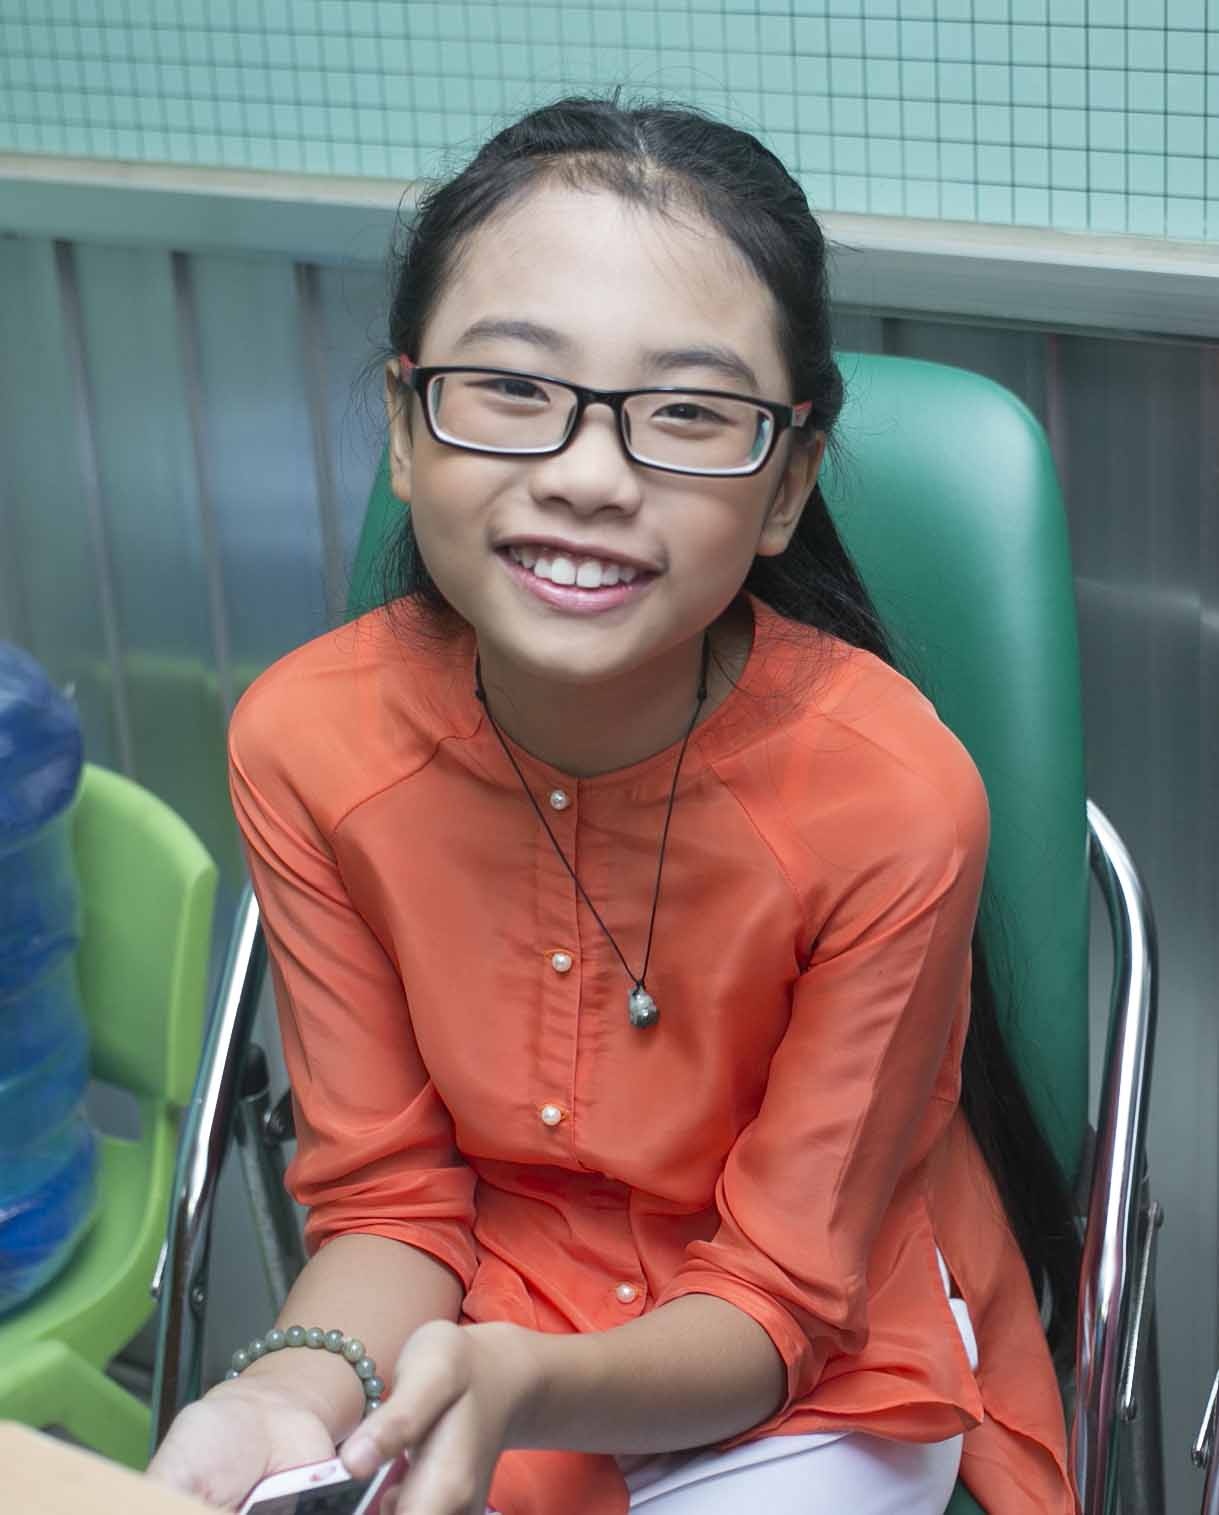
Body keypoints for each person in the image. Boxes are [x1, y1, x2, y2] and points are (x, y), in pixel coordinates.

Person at [148, 95, 1080, 1515]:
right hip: (472, 1318)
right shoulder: (306, 745)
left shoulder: (891, 799)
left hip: (805, 1374)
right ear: (405, 426)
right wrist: (287, 1394)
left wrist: (521, 1383)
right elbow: (391, 1207)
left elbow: (783, 1300)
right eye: (511, 389)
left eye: (689, 413)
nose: (587, 477)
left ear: (786, 484)